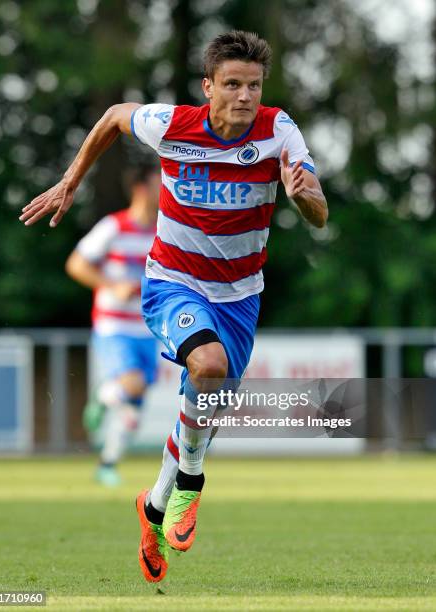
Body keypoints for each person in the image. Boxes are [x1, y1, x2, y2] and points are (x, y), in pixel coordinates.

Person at [20, 30, 328, 583]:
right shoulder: (173, 126)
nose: (244, 96)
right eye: (232, 84)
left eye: (253, 85)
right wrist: (71, 180)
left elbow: (320, 213)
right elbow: (115, 114)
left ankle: (155, 505)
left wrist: (303, 195)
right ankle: (190, 482)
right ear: (208, 87)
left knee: (205, 408)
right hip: (173, 282)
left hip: (239, 295)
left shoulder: (280, 131)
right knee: (205, 367)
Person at [65, 164, 159, 486]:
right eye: (161, 182)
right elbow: (76, 264)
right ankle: (104, 393)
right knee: (130, 385)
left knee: (133, 408)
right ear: (141, 188)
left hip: (148, 329)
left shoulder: (165, 232)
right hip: (114, 326)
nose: (168, 189)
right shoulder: (114, 226)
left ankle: (107, 463)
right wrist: (110, 285)